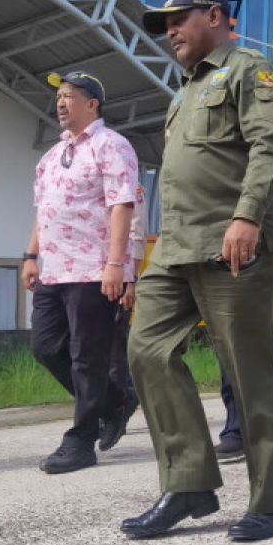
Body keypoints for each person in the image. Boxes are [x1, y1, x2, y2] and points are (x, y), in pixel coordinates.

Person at [125, 0, 273, 542]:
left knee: (250, 377)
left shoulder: (251, 70)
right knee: (146, 349)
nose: (170, 31)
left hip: (234, 247)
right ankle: (189, 480)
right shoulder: (182, 92)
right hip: (175, 248)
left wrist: (247, 217)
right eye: (165, 24)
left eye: (178, 19)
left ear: (215, 16)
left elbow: (269, 146)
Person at [22, 71, 138, 474]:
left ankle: (81, 440)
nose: (60, 103)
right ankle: (115, 401)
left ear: (93, 104)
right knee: (46, 347)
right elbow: (43, 210)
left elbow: (122, 205)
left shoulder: (112, 146)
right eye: (58, 96)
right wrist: (30, 255)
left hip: (92, 269)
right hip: (53, 270)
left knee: (85, 357)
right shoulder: (51, 156)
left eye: (69, 96)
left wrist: (117, 266)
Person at [214, 178, 273, 463]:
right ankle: (239, 427)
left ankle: (242, 431)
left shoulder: (256, 157)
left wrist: (247, 225)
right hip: (208, 256)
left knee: (244, 346)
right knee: (224, 346)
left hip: (247, 257)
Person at [100, 181, 150, 452]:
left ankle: (118, 406)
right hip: (92, 272)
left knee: (114, 344)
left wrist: (132, 280)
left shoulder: (131, 186)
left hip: (119, 275)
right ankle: (117, 401)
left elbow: (136, 233)